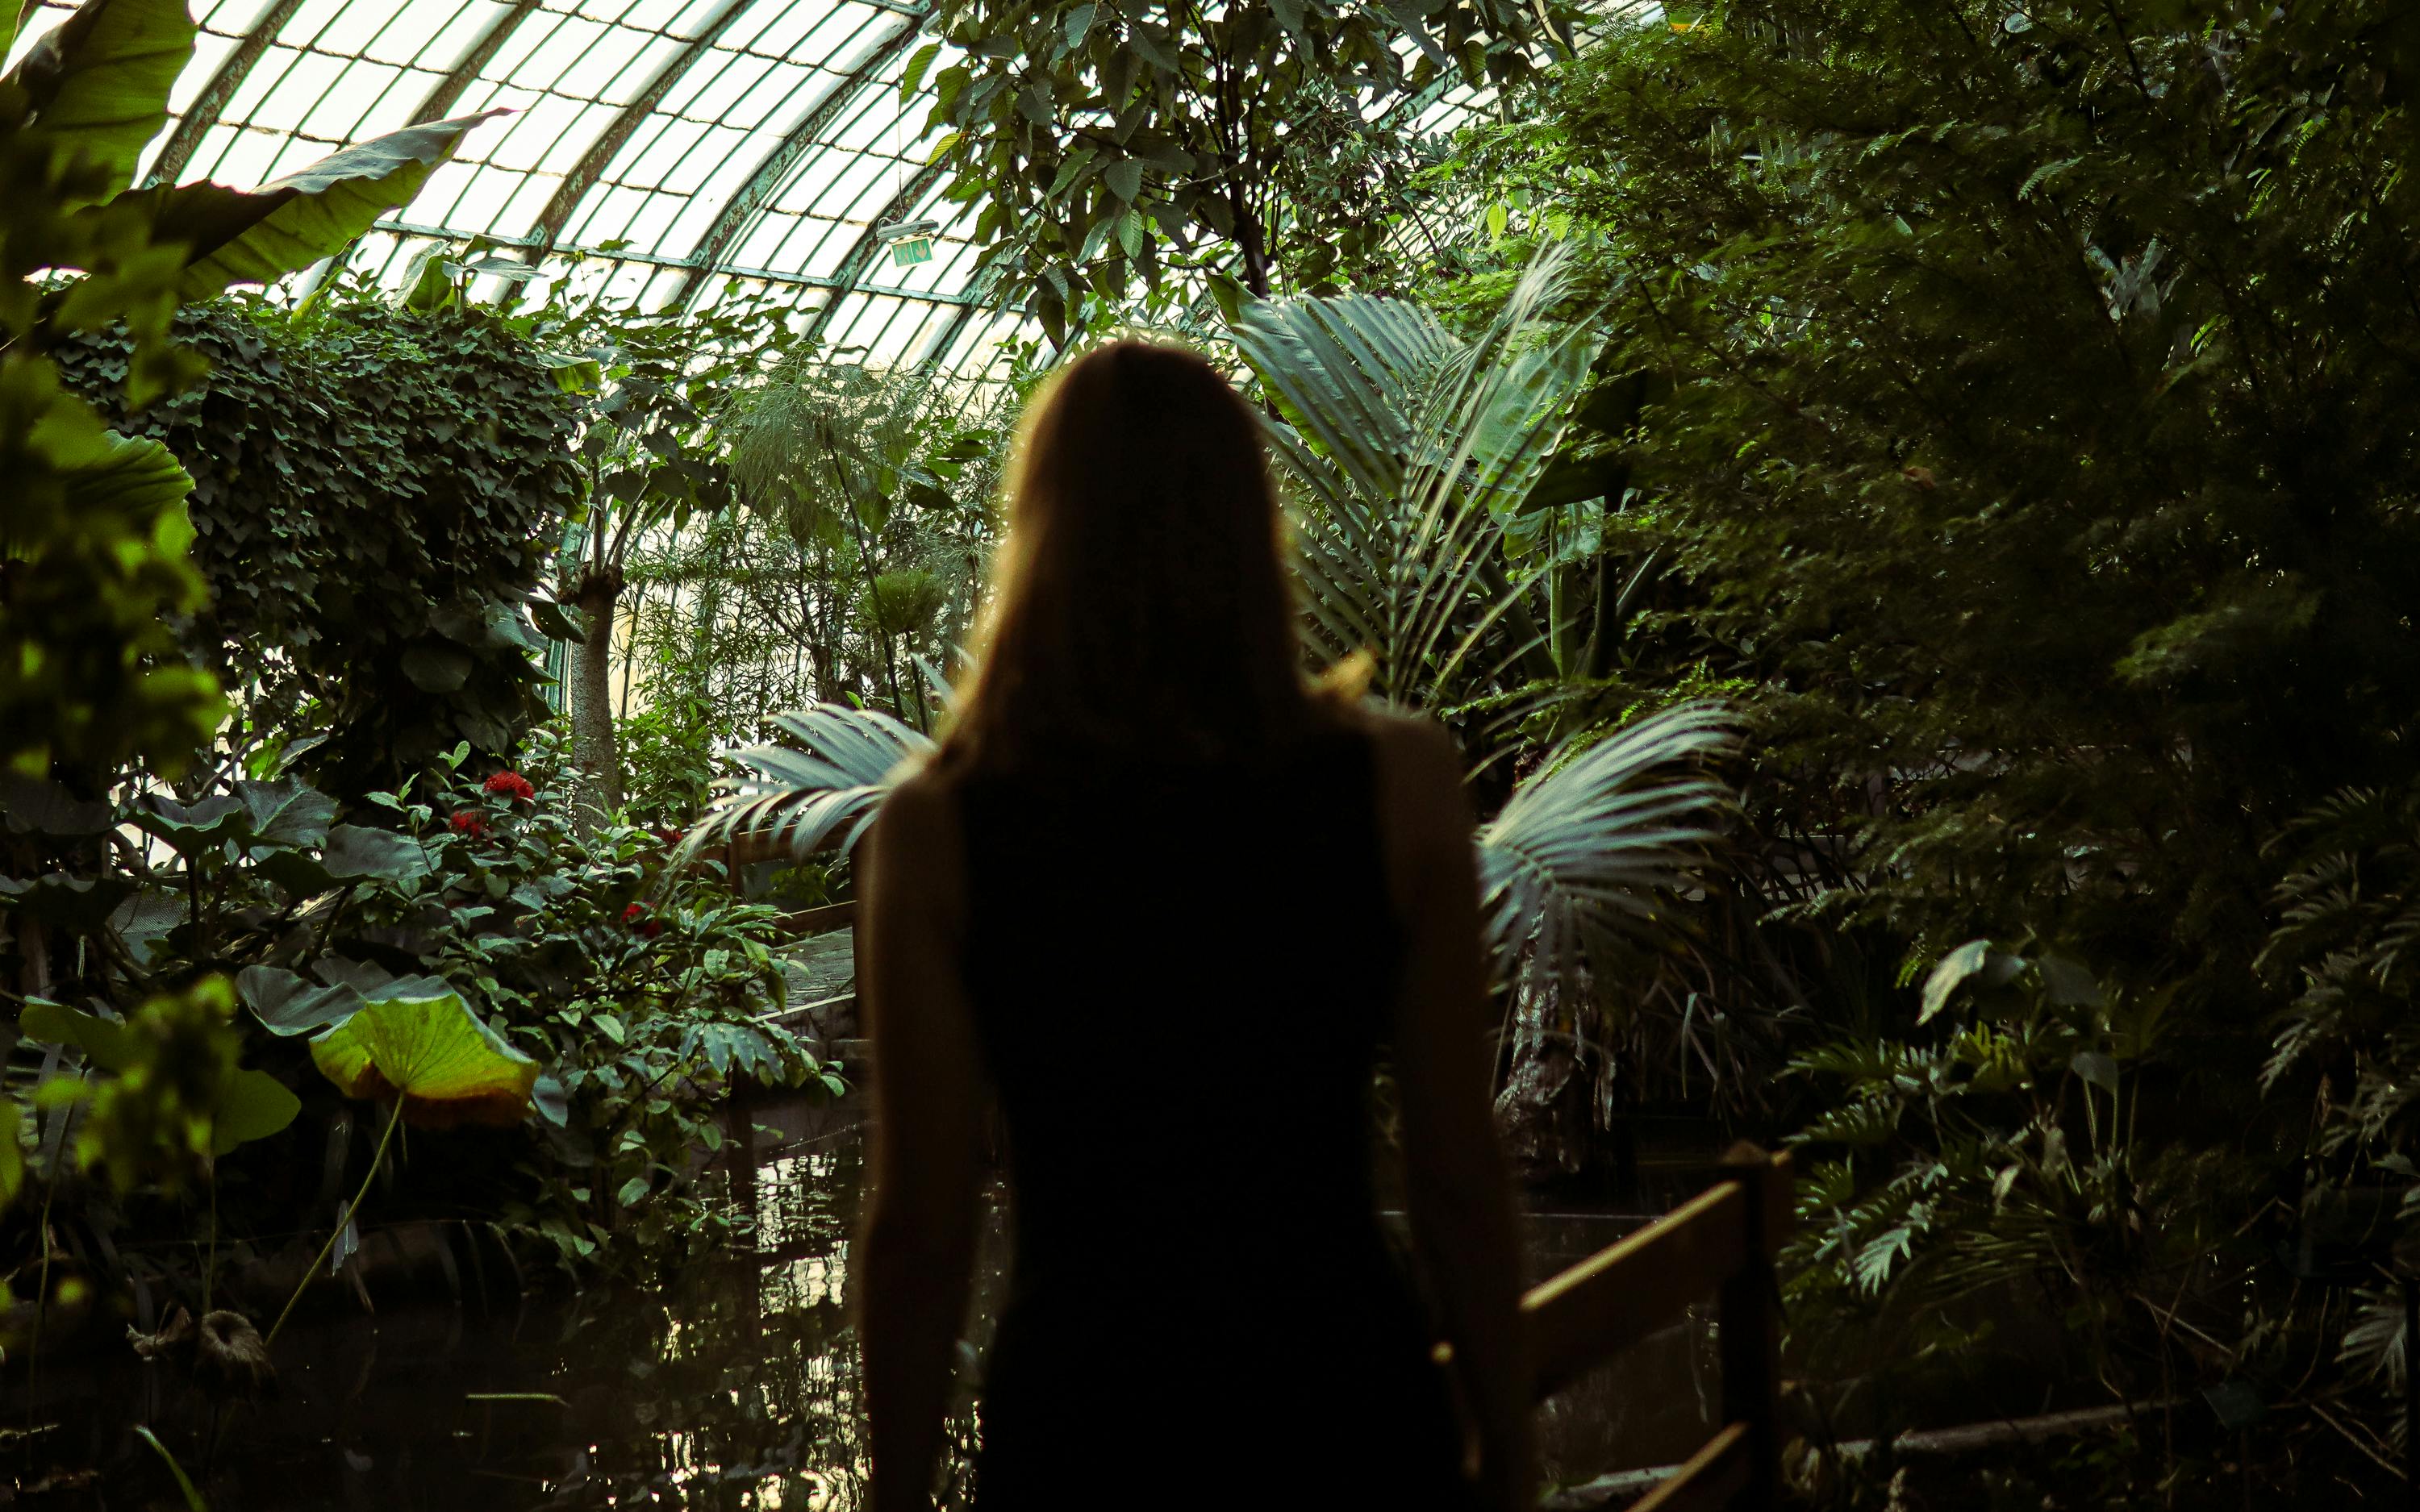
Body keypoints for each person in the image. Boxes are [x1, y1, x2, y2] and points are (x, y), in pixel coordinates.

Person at [855, 339, 1533, 1511]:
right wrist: (1514, 1457)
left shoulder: (937, 829)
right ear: (1250, 528)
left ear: (1038, 537)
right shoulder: (1401, 784)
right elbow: (1457, 1177)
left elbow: (922, 1224)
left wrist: (900, 1492)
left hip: (1085, 1428)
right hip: (1344, 1411)